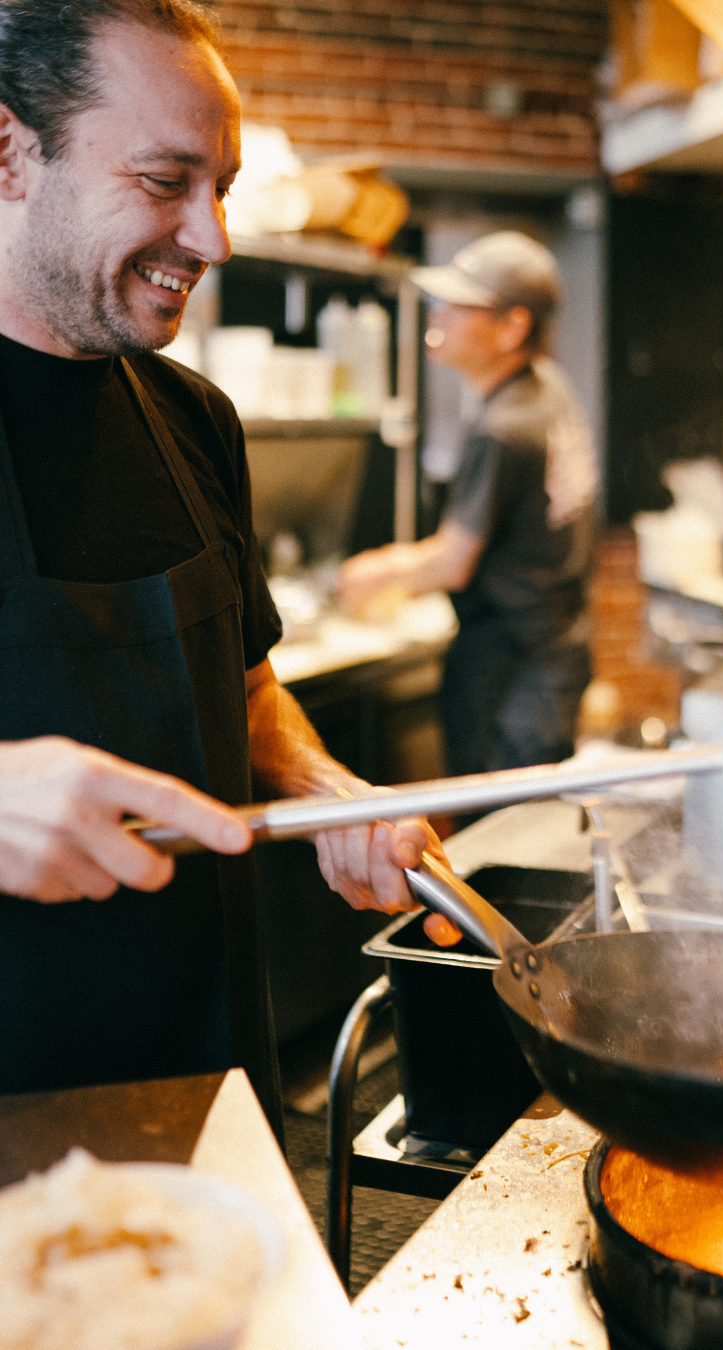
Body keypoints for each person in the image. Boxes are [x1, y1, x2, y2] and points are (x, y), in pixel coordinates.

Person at [0, 0, 456, 1133]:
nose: (213, 241)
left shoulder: (196, 419)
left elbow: (243, 693)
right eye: (164, 182)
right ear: (8, 153)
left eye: (222, 189)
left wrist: (326, 792)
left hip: (205, 1084)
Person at [339, 232, 599, 779]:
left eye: (462, 305)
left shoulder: (504, 428)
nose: (441, 313)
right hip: (557, 648)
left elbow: (453, 562)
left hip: (513, 667)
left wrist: (374, 572)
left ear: (512, 327)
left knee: (503, 841)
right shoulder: (547, 387)